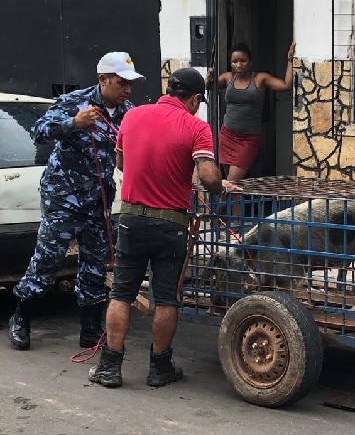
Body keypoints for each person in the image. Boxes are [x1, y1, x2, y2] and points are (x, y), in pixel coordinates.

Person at [88, 68, 240, 388]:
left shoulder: (132, 117)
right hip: (170, 225)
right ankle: (159, 368)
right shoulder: (196, 126)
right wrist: (221, 187)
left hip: (131, 219)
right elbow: (210, 177)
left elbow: (121, 164)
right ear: (195, 99)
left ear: (168, 90)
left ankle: (109, 367)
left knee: (121, 292)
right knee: (166, 298)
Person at [8, 51, 145, 351]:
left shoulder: (128, 112)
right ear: (103, 80)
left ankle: (90, 329)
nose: (127, 90)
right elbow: (37, 132)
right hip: (64, 198)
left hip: (98, 199)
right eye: (122, 83)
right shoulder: (74, 103)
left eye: (130, 84)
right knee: (47, 259)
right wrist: (73, 123)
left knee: (94, 264)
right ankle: (21, 316)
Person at [206, 41, 295, 196]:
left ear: (250, 62)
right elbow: (209, 86)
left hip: (248, 140)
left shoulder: (260, 79)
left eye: (243, 60)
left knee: (231, 183)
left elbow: (286, 85)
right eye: (234, 61)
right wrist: (208, 79)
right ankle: (234, 220)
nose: (238, 65)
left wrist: (290, 60)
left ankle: (218, 214)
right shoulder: (228, 78)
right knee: (234, 187)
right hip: (227, 136)